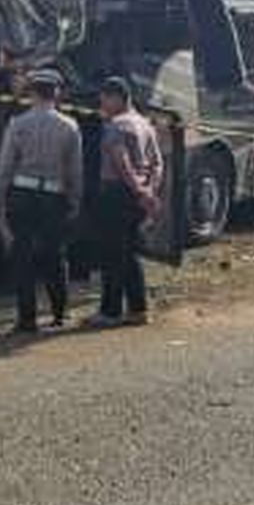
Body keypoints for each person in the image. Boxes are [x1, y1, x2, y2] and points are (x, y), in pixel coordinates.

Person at [0, 69, 83, 333]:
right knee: (54, 255)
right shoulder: (70, 126)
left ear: (32, 93)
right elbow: (75, 170)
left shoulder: (17, 124)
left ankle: (26, 319)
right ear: (57, 93)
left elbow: (6, 165)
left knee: (22, 256)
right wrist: (75, 201)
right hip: (54, 196)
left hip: (23, 194)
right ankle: (60, 314)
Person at [88, 77, 164, 328]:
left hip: (116, 193)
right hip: (137, 197)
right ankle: (138, 308)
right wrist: (149, 191)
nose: (102, 104)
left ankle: (110, 311)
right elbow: (157, 163)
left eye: (105, 99)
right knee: (130, 252)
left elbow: (121, 162)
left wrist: (138, 189)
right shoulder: (145, 124)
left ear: (118, 97)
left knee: (112, 254)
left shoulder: (116, 126)